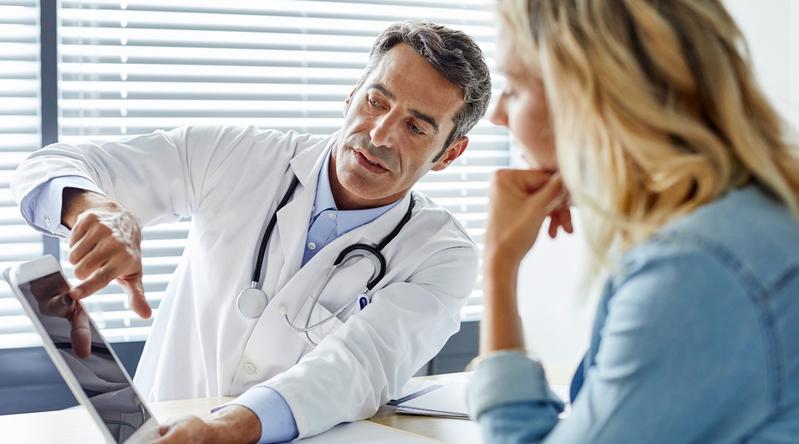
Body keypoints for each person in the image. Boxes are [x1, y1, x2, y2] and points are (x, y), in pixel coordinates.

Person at [12, 21, 491, 443]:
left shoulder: (442, 254)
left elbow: (359, 368)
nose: (382, 134)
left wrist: (228, 430)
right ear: (352, 94)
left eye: (416, 127)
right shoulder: (234, 156)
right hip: (160, 433)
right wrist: (97, 207)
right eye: (376, 101)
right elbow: (49, 165)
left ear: (449, 154)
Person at [467, 0, 799, 442]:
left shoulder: (696, 270)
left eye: (514, 87)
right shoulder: (753, 218)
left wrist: (499, 263)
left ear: (594, 97)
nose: (497, 115)